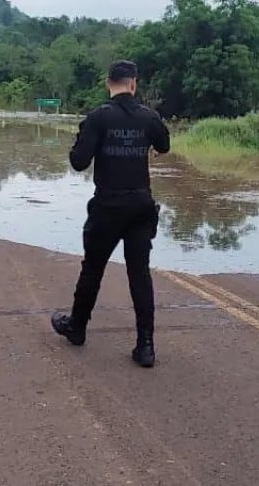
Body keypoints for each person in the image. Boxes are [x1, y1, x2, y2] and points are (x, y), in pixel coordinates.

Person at [51, 60, 170, 368]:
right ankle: (146, 347)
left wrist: (79, 141)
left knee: (92, 268)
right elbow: (164, 144)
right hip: (141, 207)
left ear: (109, 83)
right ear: (134, 84)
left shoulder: (98, 117)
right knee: (139, 275)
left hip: (108, 207)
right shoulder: (149, 117)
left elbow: (79, 161)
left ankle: (77, 328)